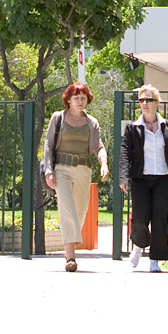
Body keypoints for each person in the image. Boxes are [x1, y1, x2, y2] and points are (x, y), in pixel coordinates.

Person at [40, 81, 108, 273]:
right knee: (67, 209)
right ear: (68, 100)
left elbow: (98, 146)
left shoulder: (91, 122)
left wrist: (104, 162)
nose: (80, 101)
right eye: (76, 98)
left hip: (83, 169)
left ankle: (69, 245)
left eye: (83, 98)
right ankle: (70, 256)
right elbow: (49, 145)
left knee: (79, 211)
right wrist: (49, 170)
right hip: (62, 169)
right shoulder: (58, 118)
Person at [121, 84, 168, 272]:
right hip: (140, 180)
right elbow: (125, 153)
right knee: (140, 219)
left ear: (157, 102)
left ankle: (155, 260)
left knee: (160, 220)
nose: (145, 103)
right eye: (141, 100)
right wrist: (123, 177)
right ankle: (138, 247)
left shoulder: (166, 126)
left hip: (163, 179)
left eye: (149, 99)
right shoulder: (133, 128)